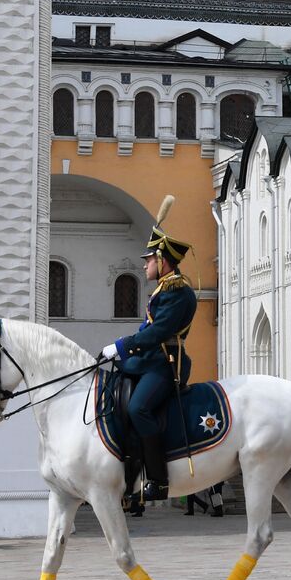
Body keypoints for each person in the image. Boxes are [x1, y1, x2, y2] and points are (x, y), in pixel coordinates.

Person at [99, 202, 197, 505]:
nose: (144, 266)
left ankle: (157, 478)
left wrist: (121, 346)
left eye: (148, 260)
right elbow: (147, 330)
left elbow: (156, 333)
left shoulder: (178, 291)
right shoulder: (164, 290)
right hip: (148, 362)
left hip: (165, 365)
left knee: (139, 407)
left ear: (162, 261)